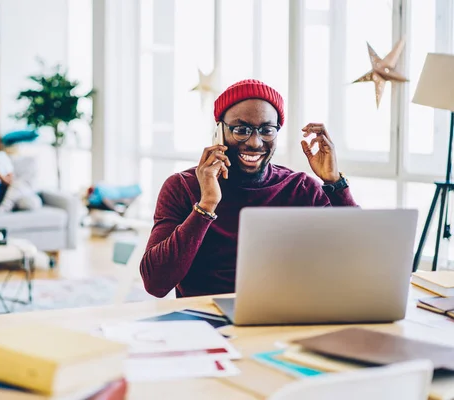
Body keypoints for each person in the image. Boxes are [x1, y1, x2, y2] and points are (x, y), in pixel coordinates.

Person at [140, 79, 357, 298]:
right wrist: (206, 205)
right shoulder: (182, 187)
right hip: (206, 320)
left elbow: (358, 258)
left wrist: (334, 183)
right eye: (241, 130)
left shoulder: (301, 189)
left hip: (285, 316)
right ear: (219, 132)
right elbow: (155, 283)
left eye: (267, 130)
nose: (255, 142)